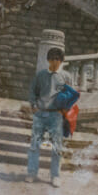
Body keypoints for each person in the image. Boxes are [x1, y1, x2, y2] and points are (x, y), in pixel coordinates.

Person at [26, 47, 72, 186]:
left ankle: (55, 175)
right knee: (34, 145)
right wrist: (33, 106)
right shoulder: (40, 75)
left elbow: (71, 96)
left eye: (57, 59)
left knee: (57, 147)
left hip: (56, 116)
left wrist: (64, 111)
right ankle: (32, 173)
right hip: (40, 114)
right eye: (52, 59)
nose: (54, 62)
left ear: (61, 61)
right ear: (48, 60)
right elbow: (33, 91)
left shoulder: (65, 77)